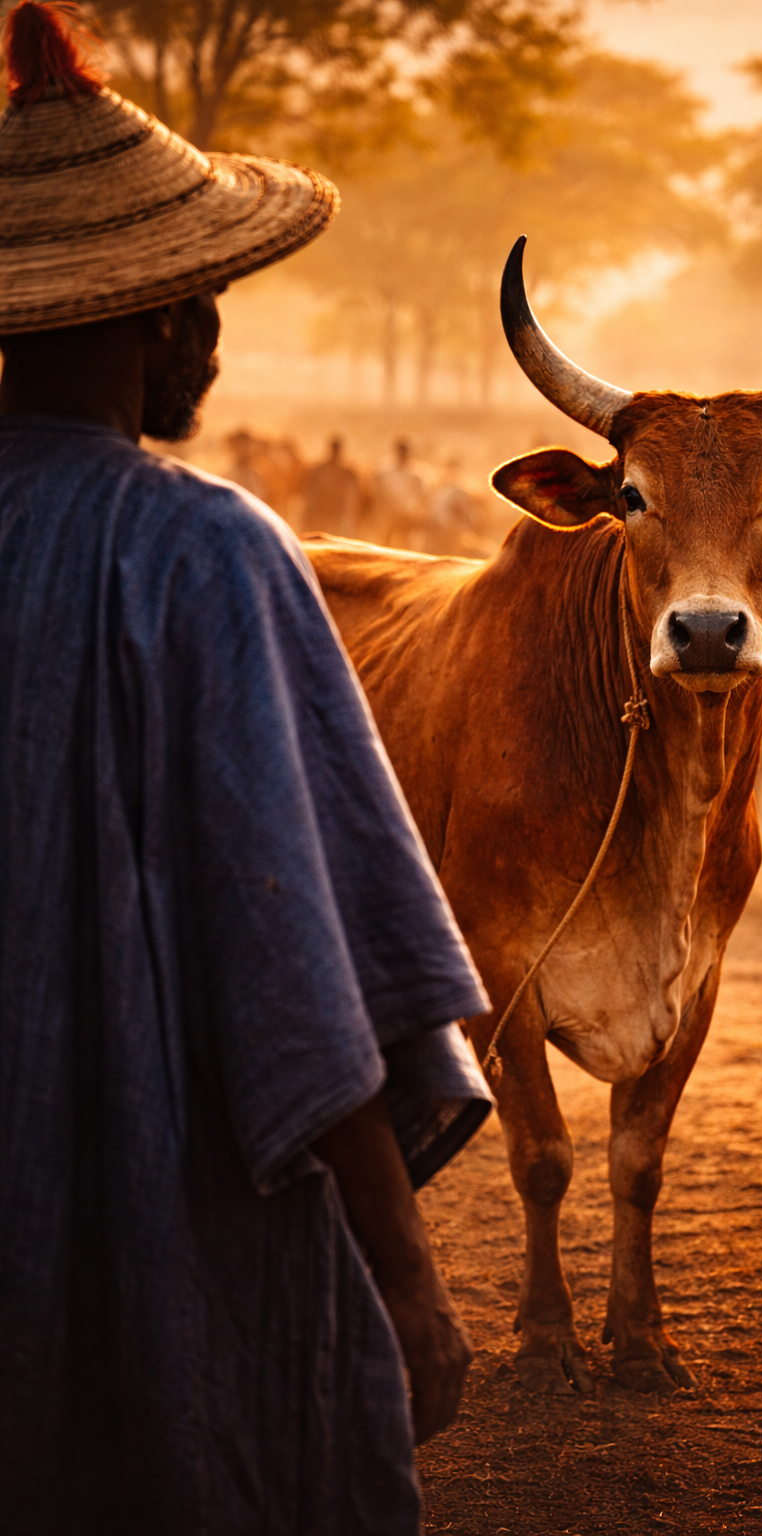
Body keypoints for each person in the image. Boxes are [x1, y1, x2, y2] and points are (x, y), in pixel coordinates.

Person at [0, 6, 491, 1535]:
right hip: (165, 1217)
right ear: (165, 321)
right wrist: (405, 1286)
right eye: (203, 297)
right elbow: (301, 949)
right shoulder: (205, 549)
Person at [302, 432, 362, 536]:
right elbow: (308, 491)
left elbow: (356, 495)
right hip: (320, 511)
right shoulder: (318, 469)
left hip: (336, 512)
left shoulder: (347, 472)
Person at [375, 436, 427, 549]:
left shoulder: (415, 474)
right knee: (385, 544)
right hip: (388, 515)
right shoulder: (384, 471)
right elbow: (378, 493)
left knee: (405, 546)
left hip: (406, 515)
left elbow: (420, 496)